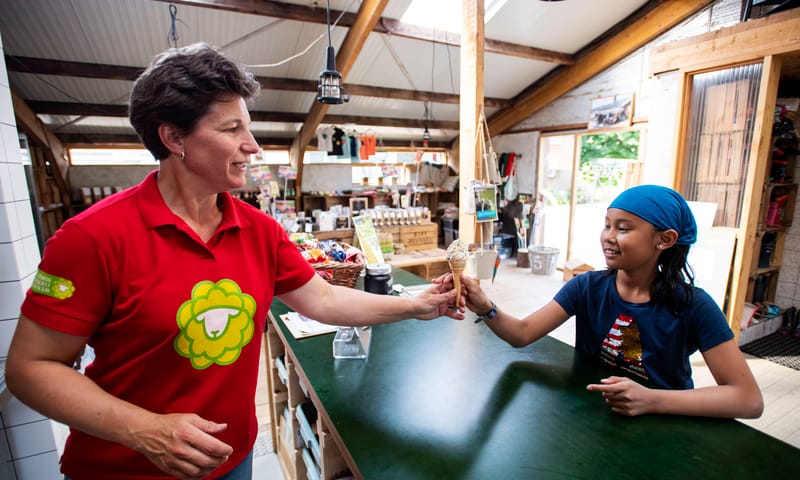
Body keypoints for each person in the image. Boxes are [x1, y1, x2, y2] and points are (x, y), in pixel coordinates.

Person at [5, 43, 463, 480]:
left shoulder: (259, 230)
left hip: (229, 461)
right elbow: (30, 368)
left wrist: (415, 305)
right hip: (125, 468)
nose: (254, 146)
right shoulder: (93, 238)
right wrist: (146, 431)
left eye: (249, 127)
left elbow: (322, 298)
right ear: (173, 137)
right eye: (231, 130)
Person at [460, 185, 764, 419]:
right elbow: (523, 333)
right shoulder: (587, 287)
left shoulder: (693, 305)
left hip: (667, 426)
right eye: (607, 225)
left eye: (623, 228)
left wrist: (653, 400)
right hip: (596, 415)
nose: (608, 236)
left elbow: (748, 400)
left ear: (665, 240)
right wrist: (486, 306)